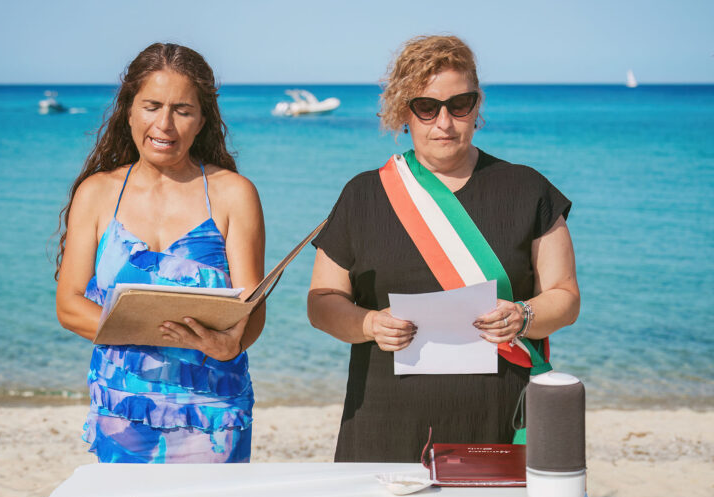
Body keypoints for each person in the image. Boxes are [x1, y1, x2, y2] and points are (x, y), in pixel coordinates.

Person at [307, 35, 580, 462]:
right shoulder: (363, 195)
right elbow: (321, 303)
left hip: (498, 419)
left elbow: (565, 297)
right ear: (403, 112)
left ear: (477, 107)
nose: (445, 122)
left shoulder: (529, 190)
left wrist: (524, 315)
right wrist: (369, 324)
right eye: (426, 107)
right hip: (384, 422)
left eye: (460, 104)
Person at [55, 43, 265, 463]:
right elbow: (69, 305)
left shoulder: (233, 195)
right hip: (124, 406)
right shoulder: (96, 193)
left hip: (212, 408)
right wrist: (157, 329)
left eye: (183, 110)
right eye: (152, 106)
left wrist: (231, 344)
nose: (164, 125)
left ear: (202, 119)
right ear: (129, 110)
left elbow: (253, 310)